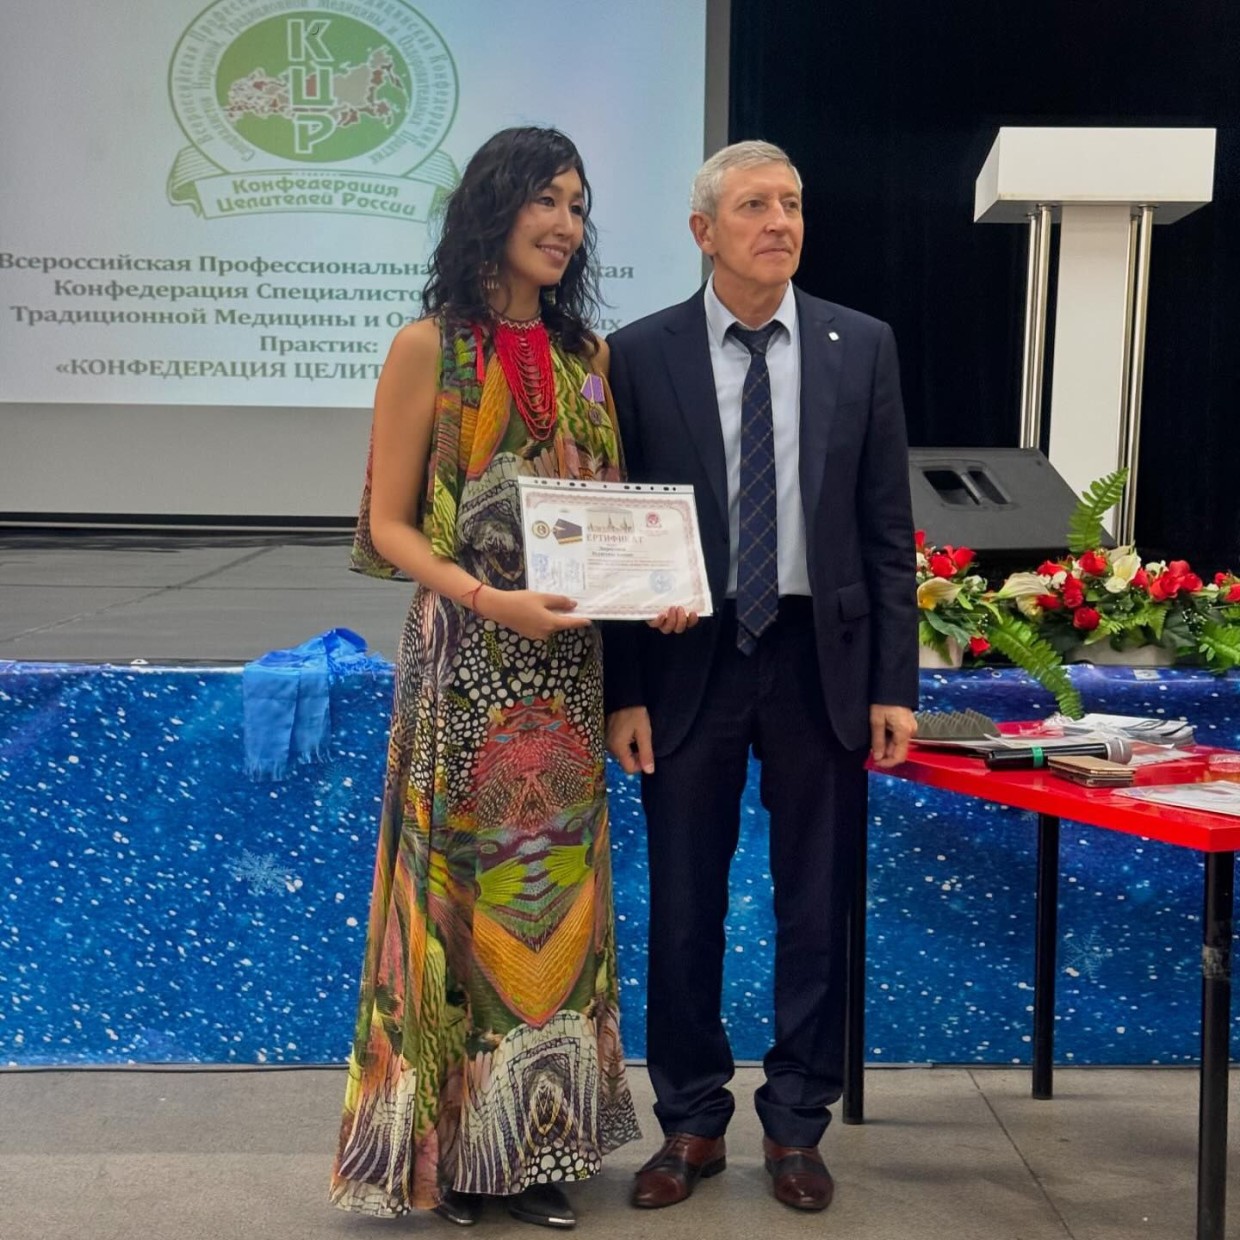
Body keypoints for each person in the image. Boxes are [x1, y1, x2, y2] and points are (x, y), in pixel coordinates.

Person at [330, 126, 685, 1230]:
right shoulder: (426, 347)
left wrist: (657, 588)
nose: (565, 224)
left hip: (566, 673)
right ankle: (446, 1160)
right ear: (493, 205)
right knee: (455, 902)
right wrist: (490, 600)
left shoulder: (589, 356)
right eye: (545, 199)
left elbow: (614, 518)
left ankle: (532, 1150)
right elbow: (388, 526)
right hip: (465, 661)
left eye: (578, 205)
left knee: (551, 911)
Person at [603, 140, 919, 1213]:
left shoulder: (859, 344)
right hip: (686, 663)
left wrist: (894, 683)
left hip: (819, 660)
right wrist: (623, 687)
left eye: (791, 202)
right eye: (753, 205)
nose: (779, 221)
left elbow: (886, 530)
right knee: (684, 905)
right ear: (704, 231)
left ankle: (795, 1125)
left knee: (815, 906)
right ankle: (690, 1120)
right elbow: (619, 535)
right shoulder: (636, 354)